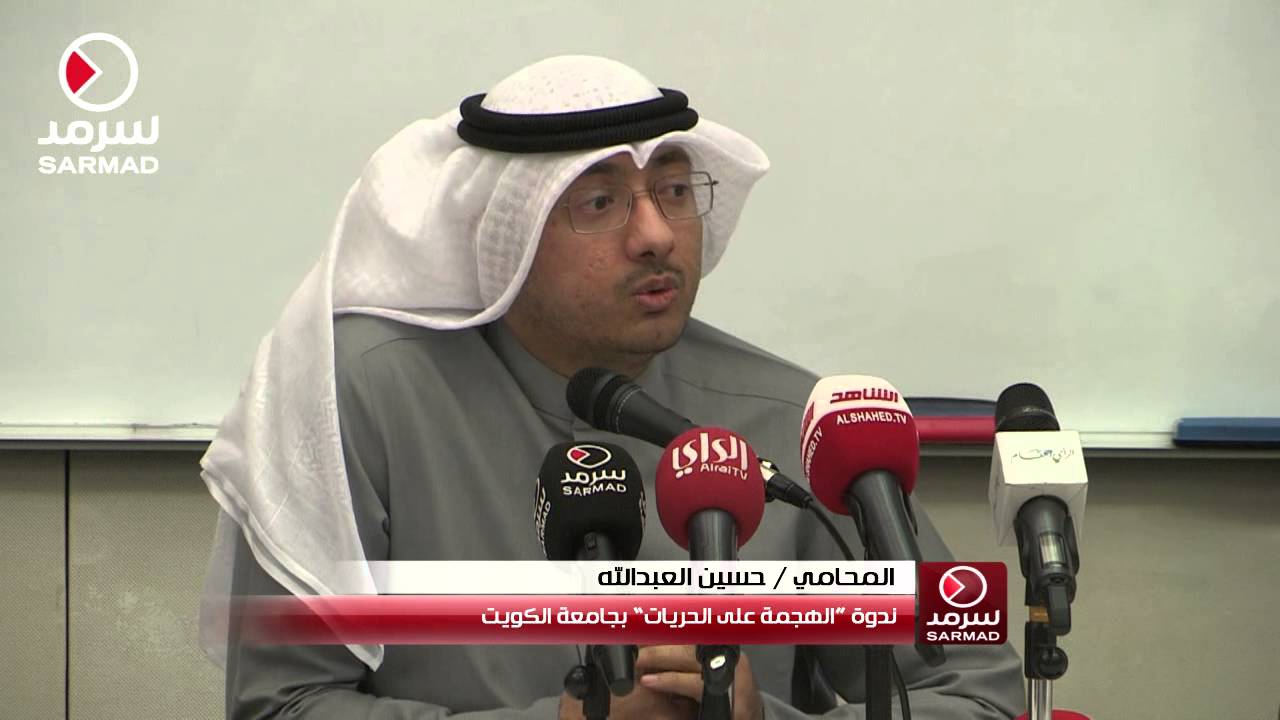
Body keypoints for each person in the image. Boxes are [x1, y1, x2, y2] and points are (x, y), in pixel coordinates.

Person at [200, 56, 1025, 719]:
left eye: (674, 191)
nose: (657, 234)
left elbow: (981, 696)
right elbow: (281, 706)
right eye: (600, 202)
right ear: (505, 231)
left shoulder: (794, 422)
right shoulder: (363, 398)